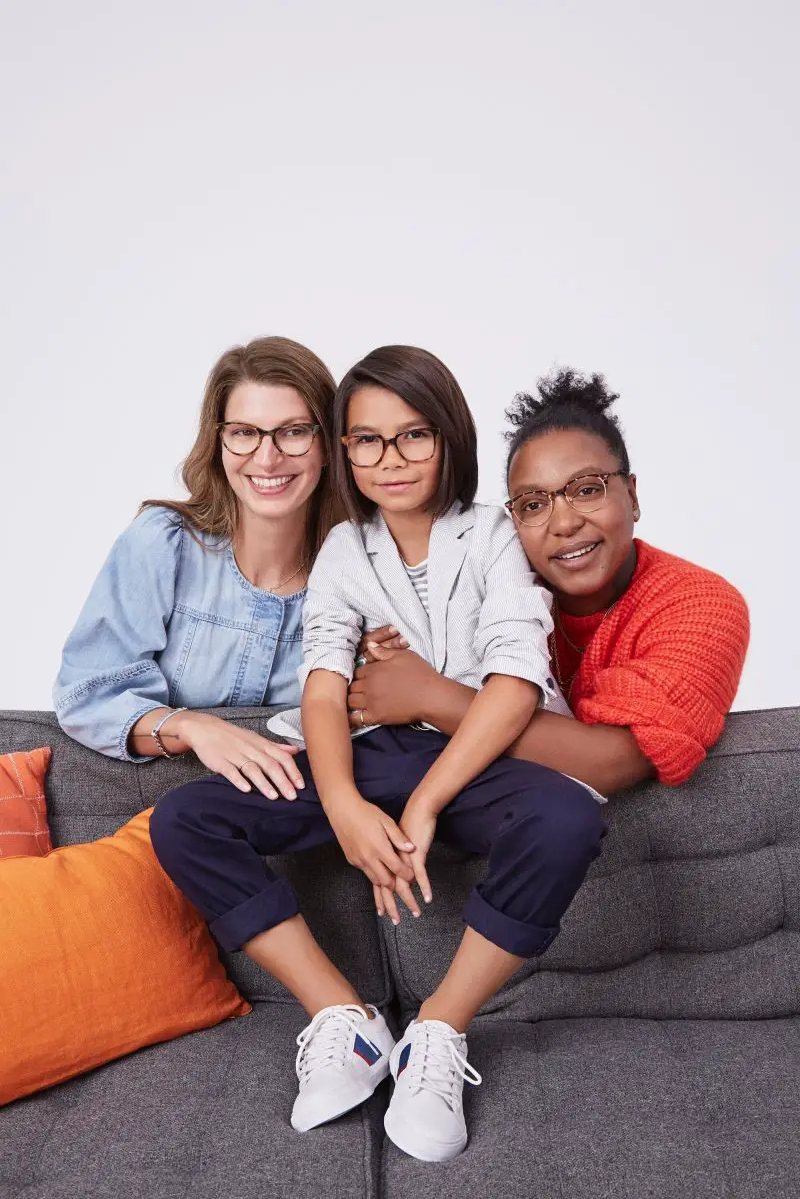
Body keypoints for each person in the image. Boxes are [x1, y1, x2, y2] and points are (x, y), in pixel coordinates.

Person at [149, 346, 606, 1163]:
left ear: (449, 437)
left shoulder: (498, 530)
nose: (389, 460)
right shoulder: (343, 550)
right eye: (366, 441)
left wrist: (427, 802)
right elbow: (324, 690)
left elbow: (515, 683)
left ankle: (436, 1030)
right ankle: (347, 1022)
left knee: (567, 815)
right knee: (185, 819)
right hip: (374, 754)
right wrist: (346, 806)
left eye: (413, 437)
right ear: (343, 450)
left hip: (478, 758)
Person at [346, 369, 750, 794]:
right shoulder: (493, 577)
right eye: (533, 503)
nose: (564, 522)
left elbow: (614, 761)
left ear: (632, 495)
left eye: (588, 490)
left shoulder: (701, 605)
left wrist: (434, 698)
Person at [54, 335, 340, 798]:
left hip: (305, 833)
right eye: (244, 432)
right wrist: (192, 727)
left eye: (293, 431)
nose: (267, 458)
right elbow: (87, 695)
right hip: (160, 824)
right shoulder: (163, 543)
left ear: (327, 443)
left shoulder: (360, 572)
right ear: (218, 440)